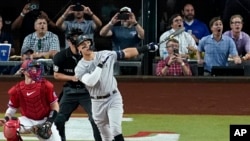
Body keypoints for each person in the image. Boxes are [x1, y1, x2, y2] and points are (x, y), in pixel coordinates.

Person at [74, 34, 158, 141]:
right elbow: (90, 81)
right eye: (82, 45)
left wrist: (146, 48)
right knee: (106, 136)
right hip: (96, 102)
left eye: (88, 43)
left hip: (113, 97)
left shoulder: (105, 54)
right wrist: (100, 65)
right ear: (78, 49)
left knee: (116, 130)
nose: (86, 46)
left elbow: (126, 53)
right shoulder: (80, 68)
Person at [53, 28, 102, 141]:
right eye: (75, 38)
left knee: (95, 118)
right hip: (70, 91)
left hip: (87, 91)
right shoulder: (61, 56)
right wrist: (72, 78)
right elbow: (56, 75)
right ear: (69, 41)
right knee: (58, 119)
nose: (79, 41)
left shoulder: (90, 54)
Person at [0, 59, 61, 141]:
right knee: (10, 126)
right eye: (32, 68)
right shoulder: (17, 89)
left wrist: (49, 123)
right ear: (23, 71)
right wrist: (6, 119)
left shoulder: (46, 85)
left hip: (45, 121)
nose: (35, 70)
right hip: (27, 120)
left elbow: (55, 106)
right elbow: (12, 109)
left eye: (36, 68)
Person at [99, 6, 145, 75]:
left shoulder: (136, 28)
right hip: (117, 59)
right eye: (123, 16)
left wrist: (135, 22)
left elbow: (143, 36)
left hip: (133, 60)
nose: (125, 18)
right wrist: (111, 23)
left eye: (127, 16)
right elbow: (102, 33)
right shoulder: (115, 29)